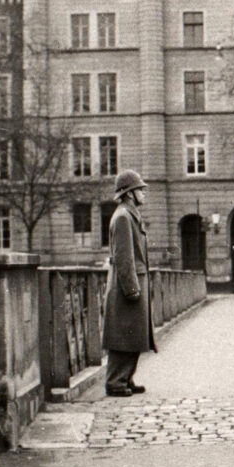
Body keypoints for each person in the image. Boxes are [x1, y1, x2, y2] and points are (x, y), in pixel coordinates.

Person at [101, 169, 157, 396]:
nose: (144, 193)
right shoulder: (123, 217)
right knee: (124, 335)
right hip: (128, 284)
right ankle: (116, 382)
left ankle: (126, 378)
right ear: (130, 193)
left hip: (134, 281)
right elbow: (124, 258)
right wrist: (132, 288)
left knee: (133, 334)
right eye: (140, 189)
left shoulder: (128, 214)